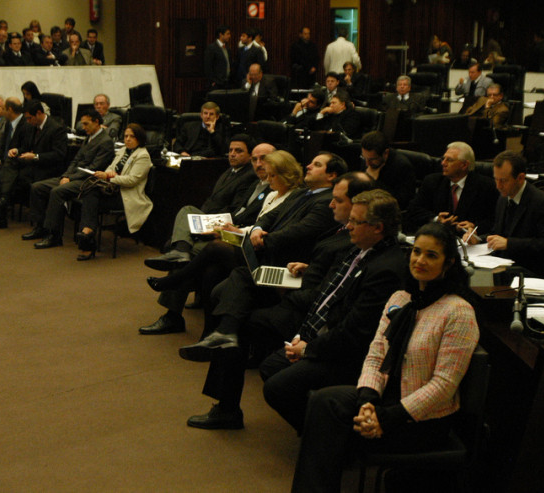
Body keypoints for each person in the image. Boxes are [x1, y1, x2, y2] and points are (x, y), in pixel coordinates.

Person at [184, 188, 405, 431]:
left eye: (355, 221)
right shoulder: (358, 248)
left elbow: (352, 329)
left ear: (377, 227)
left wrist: (308, 345)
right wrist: (304, 331)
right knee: (236, 316)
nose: (349, 226)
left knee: (268, 368)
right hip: (311, 318)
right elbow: (330, 292)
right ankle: (227, 402)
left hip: (340, 346)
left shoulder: (385, 269)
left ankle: (330, 435)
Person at [291, 222, 479, 493]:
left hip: (422, 420)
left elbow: (443, 386)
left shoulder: (458, 312)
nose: (420, 260)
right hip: (385, 400)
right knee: (323, 402)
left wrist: (386, 417)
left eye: (431, 255)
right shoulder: (401, 298)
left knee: (333, 427)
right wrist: (367, 402)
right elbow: (376, 355)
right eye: (416, 252)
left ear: (448, 263)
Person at [177, 152, 347, 360]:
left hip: (285, 264)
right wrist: (257, 229)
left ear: (332, 175)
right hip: (264, 251)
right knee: (216, 278)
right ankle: (218, 338)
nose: (309, 166)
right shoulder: (304, 193)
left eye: (317, 164)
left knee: (217, 254)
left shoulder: (324, 201)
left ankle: (182, 281)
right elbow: (269, 217)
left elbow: (298, 232)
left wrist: (262, 240)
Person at [139, 140, 271, 335]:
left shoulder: (267, 187)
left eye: (263, 159)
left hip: (238, 240)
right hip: (225, 227)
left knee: (186, 255)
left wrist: (222, 228)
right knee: (186, 212)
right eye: (255, 160)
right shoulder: (254, 183)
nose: (258, 164)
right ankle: (180, 251)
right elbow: (235, 209)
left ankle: (173, 314)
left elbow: (250, 221)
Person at [25, 109, 116, 249]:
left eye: (86, 124)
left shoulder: (105, 142)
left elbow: (94, 168)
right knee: (37, 187)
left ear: (96, 122)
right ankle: (40, 227)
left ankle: (54, 235)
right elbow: (75, 161)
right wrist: (66, 175)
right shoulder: (89, 137)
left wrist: (70, 178)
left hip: (87, 181)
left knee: (57, 192)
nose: (83, 127)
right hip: (73, 177)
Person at [463, 150, 544, 276]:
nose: (498, 186)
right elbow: (498, 233)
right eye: (496, 179)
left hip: (527, 270)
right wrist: (478, 239)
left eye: (503, 181)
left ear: (520, 178)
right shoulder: (503, 198)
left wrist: (509, 244)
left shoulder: (542, 202)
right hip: (501, 265)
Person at [0, 100, 67, 231]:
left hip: (47, 168)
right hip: (30, 164)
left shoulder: (56, 128)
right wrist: (16, 150)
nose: (28, 121)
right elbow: (25, 147)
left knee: (8, 177)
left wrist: (36, 156)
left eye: (30, 118)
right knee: (3, 166)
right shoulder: (31, 126)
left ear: (39, 113)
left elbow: (59, 155)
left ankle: (1, 207)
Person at [75, 124, 153, 261]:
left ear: (139, 138)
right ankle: (87, 233)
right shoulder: (123, 150)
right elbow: (111, 167)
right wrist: (106, 173)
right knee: (90, 192)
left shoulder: (143, 156)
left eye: (132, 136)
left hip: (126, 196)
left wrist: (110, 177)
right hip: (112, 190)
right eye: (126, 136)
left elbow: (132, 180)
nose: (128, 139)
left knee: (90, 199)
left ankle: (87, 235)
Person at [406, 141, 498, 235]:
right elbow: (413, 210)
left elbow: (494, 219)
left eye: (449, 160)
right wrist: (436, 219)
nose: (443, 163)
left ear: (464, 165)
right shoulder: (432, 181)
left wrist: (474, 226)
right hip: (437, 236)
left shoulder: (486, 186)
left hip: (468, 239)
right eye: (443, 158)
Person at [359, 130, 416, 210]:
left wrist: (374, 181)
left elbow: (401, 202)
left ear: (385, 153)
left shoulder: (402, 166)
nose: (367, 164)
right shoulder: (368, 159)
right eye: (364, 157)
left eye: (372, 159)